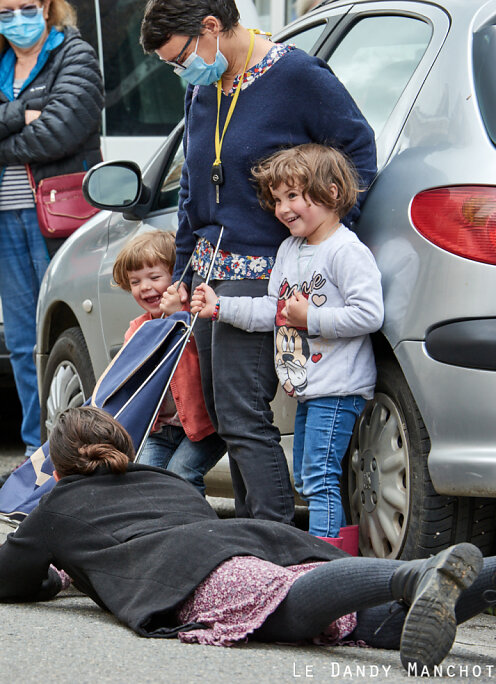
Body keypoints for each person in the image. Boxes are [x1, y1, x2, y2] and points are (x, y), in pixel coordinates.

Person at [0, 406, 496, 672]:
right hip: (258, 542)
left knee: (289, 608)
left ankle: (417, 572)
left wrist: (46, 576)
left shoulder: (56, 506)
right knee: (376, 629)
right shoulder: (167, 480)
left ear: (61, 468)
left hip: (199, 568)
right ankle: (465, 577)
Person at [138, 0, 377, 524]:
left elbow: (357, 150)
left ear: (210, 27)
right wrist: (181, 275)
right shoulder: (205, 87)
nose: (183, 71)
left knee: (244, 412)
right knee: (224, 415)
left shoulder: (297, 75)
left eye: (181, 58)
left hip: (265, 269)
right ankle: (251, 532)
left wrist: (326, 232)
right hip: (208, 271)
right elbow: (191, 193)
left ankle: (272, 537)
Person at [191, 144, 383, 540]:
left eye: (293, 196)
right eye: (277, 199)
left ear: (331, 192)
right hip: (310, 388)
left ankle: (321, 563)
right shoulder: (290, 249)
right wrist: (221, 308)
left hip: (338, 386)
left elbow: (369, 315)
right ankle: (331, 555)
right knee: (314, 476)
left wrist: (308, 318)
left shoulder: (346, 251)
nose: (282, 208)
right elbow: (270, 309)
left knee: (318, 477)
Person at [0, 0, 104, 487]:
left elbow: (61, 132)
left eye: (29, 6)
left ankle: (76, 449)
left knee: (65, 334)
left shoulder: (75, 56)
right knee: (22, 345)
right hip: (4, 220)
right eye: (8, 9)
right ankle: (36, 455)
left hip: (58, 221)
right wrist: (20, 113)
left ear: (49, 7)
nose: (19, 17)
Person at [110, 230, 225, 494]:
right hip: (160, 430)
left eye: (154, 277)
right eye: (135, 281)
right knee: (142, 482)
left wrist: (177, 317)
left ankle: (196, 533)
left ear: (177, 278)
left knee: (181, 475)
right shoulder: (136, 331)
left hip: (204, 426)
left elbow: (204, 350)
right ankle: (159, 533)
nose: (145, 287)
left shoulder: (194, 319)